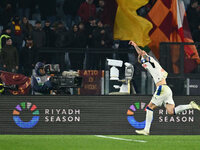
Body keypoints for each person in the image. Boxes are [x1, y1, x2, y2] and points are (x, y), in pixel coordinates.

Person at [129, 41, 200, 135]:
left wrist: (137, 48)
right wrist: (136, 47)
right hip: (167, 89)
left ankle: (146, 130)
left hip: (161, 88)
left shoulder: (150, 60)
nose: (143, 53)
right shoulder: (149, 63)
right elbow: (141, 57)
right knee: (171, 111)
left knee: (149, 108)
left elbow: (142, 55)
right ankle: (190, 106)